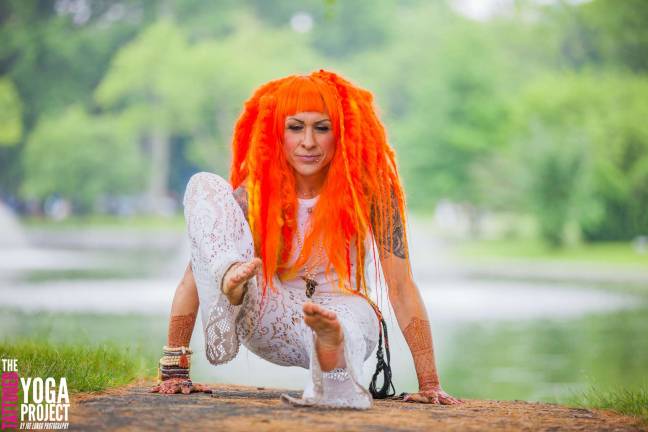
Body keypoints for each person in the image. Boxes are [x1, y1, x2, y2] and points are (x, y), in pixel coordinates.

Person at [150, 70, 462, 409]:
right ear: (277, 134)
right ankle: (230, 274)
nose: (308, 142)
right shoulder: (253, 194)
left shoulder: (371, 192)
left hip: (344, 309)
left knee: (337, 324)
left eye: (322, 128)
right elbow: (194, 274)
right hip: (267, 307)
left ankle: (331, 363)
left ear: (341, 133)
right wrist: (174, 372)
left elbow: (401, 287)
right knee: (203, 185)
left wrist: (430, 383)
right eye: (296, 127)